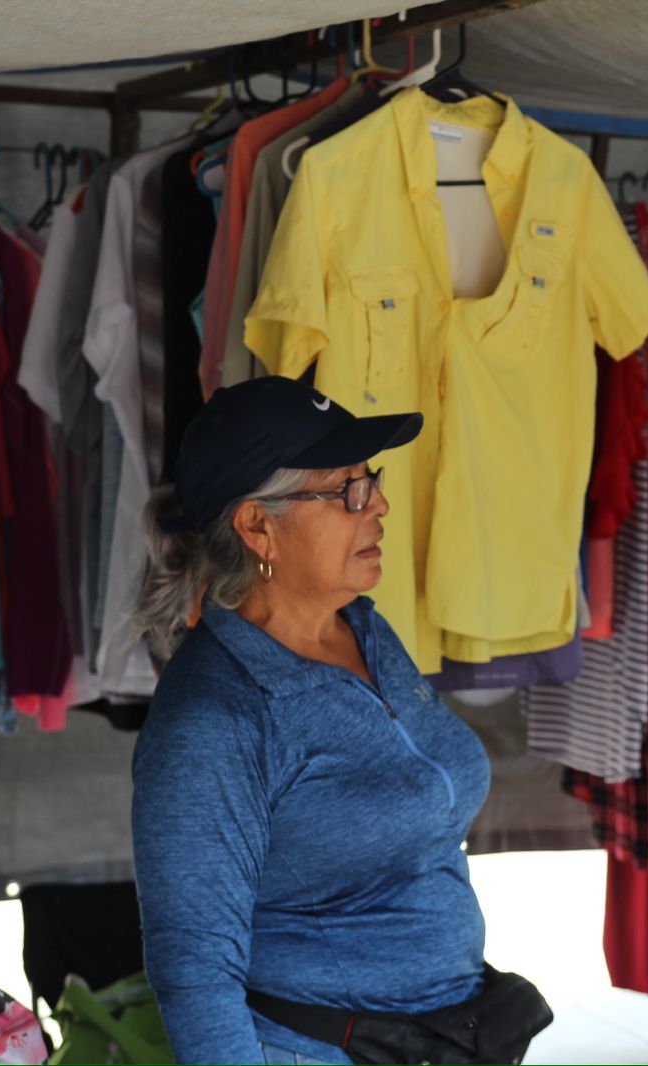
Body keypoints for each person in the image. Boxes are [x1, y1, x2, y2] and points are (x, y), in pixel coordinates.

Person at [129, 375, 492, 1065]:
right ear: (257, 524)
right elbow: (195, 974)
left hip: (446, 1036)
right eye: (348, 489)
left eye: (372, 478)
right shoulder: (213, 717)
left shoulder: (363, 629)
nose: (379, 503)